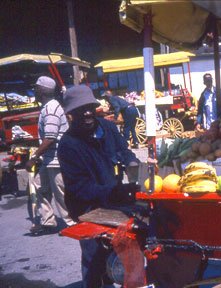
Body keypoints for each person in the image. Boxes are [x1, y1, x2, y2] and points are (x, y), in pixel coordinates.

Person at [57, 85, 140, 287]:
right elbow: (80, 188)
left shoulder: (108, 127)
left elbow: (123, 149)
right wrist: (113, 191)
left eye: (89, 107)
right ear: (70, 116)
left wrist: (131, 161)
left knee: (124, 256)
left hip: (114, 202)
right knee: (94, 260)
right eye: (79, 110)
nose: (86, 112)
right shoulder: (68, 145)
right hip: (86, 209)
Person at [25, 76, 75, 235]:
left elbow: (50, 137)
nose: (34, 91)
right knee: (40, 187)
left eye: (36, 88)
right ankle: (48, 222)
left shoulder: (51, 109)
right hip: (49, 159)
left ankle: (72, 223)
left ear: (42, 91)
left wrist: (34, 157)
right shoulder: (48, 107)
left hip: (57, 159)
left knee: (60, 193)